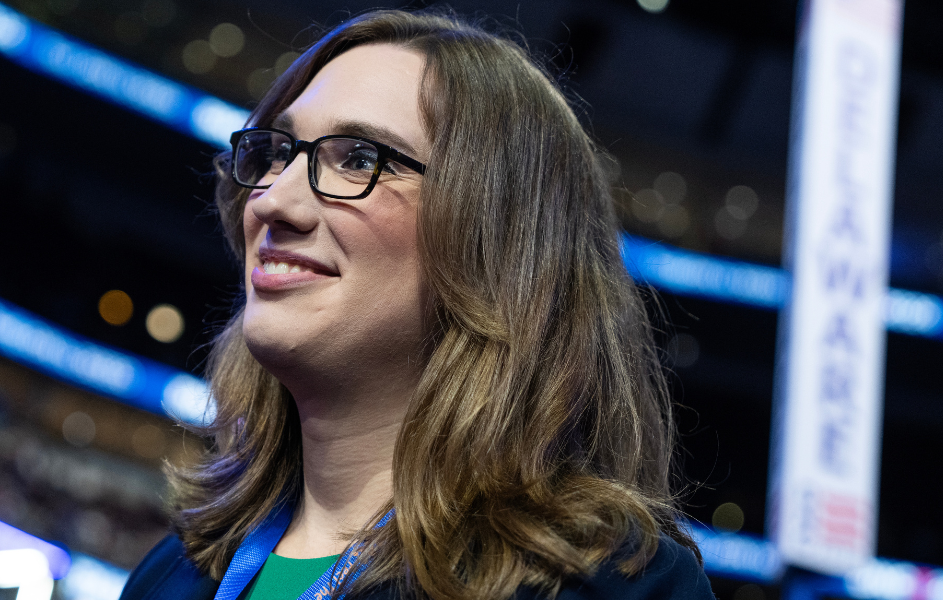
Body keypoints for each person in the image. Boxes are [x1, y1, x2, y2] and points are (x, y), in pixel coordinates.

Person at [120, 9, 715, 600]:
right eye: (277, 151)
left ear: (498, 244)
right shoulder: (176, 567)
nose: (275, 199)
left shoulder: (612, 586)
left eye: (359, 158)